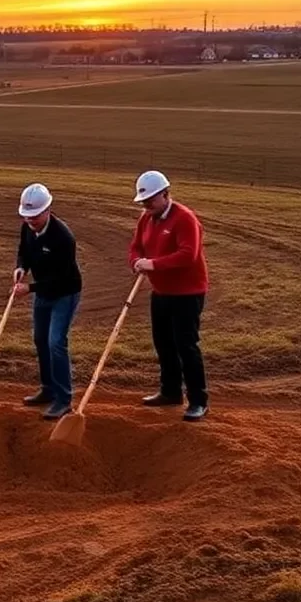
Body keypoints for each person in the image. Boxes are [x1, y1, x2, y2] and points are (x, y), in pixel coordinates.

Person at [128, 170, 209, 421]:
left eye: (150, 199)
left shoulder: (185, 218)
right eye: (143, 201)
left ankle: (198, 401)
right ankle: (171, 391)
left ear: (165, 194)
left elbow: (189, 255)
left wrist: (153, 264)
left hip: (188, 293)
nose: (146, 205)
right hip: (161, 292)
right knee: (163, 343)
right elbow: (136, 247)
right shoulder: (146, 218)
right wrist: (136, 262)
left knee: (186, 345)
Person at [12, 183, 82, 421]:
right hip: (43, 292)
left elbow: (60, 279)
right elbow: (24, 250)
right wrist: (21, 267)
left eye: (34, 216)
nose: (30, 220)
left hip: (65, 292)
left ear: (48, 210)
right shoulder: (28, 227)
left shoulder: (63, 238)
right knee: (40, 339)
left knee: (55, 342)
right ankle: (48, 389)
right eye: (26, 216)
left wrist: (29, 288)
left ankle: (63, 400)